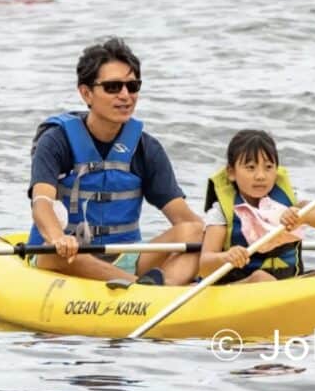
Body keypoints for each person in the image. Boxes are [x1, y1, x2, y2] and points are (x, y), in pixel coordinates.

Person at [27, 38, 204, 285]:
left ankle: (159, 289)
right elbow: (42, 202)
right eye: (112, 87)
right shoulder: (57, 141)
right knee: (52, 253)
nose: (125, 95)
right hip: (68, 257)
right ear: (86, 93)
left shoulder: (146, 148)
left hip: (126, 257)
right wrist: (58, 237)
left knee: (194, 229)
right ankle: (141, 287)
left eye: (132, 86)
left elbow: (185, 221)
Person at [199, 130, 315, 284]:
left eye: (268, 167)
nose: (260, 176)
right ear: (231, 172)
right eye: (251, 167)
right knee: (261, 278)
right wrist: (226, 257)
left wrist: (303, 216)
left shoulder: (289, 202)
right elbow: (204, 266)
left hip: (288, 283)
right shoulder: (221, 212)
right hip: (242, 287)